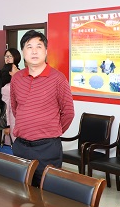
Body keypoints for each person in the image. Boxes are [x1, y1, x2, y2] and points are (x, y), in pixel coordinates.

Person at [10, 30, 74, 187]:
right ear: (23, 52)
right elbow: (15, 108)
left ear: (46, 51)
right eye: (29, 47)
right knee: (20, 192)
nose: (34, 51)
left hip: (47, 149)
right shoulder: (17, 79)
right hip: (21, 147)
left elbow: (68, 113)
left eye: (38, 46)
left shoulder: (58, 78)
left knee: (47, 193)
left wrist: (52, 131)